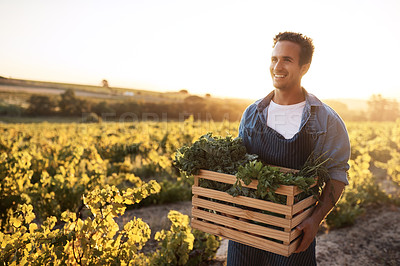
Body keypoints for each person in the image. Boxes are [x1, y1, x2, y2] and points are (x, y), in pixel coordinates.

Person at [227, 32, 351, 265]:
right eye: (274, 59)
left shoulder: (325, 120)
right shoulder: (252, 114)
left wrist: (315, 221)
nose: (277, 66)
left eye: (287, 60)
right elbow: (239, 167)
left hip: (293, 235)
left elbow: (336, 176)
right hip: (245, 229)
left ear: (305, 67)